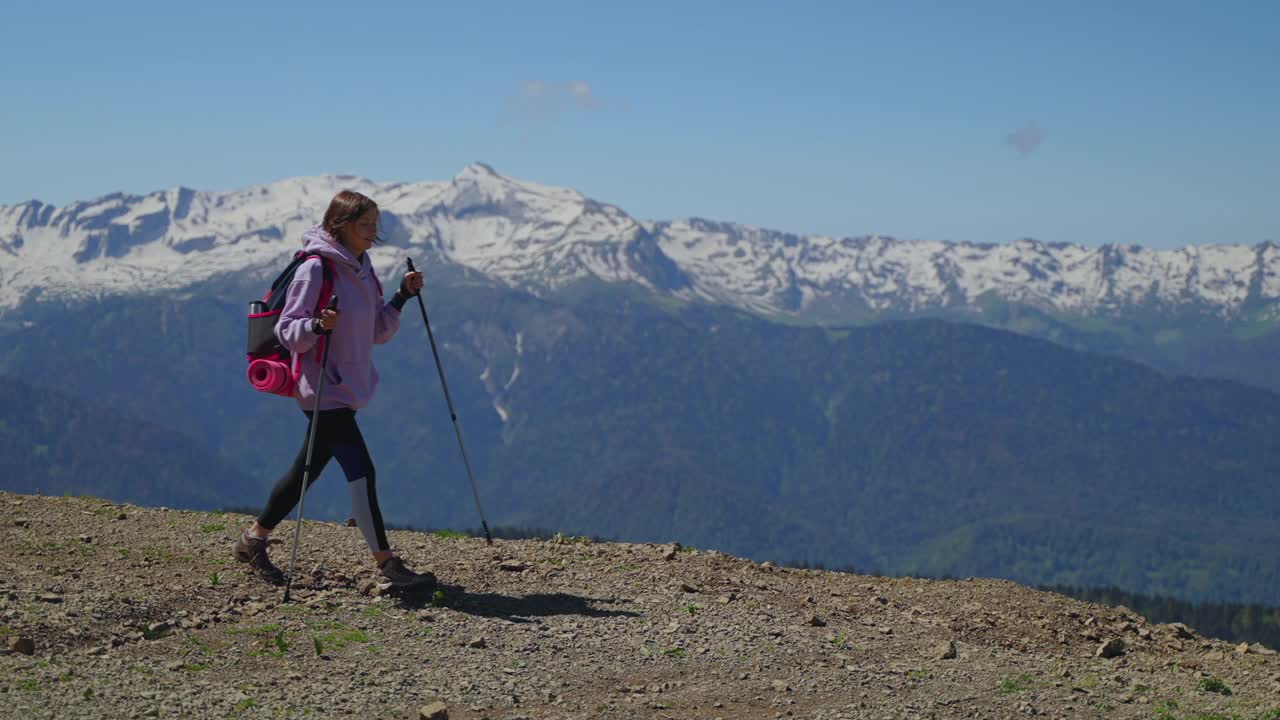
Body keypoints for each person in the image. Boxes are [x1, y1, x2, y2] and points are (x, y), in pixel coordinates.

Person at [234, 189, 431, 588]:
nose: (373, 232)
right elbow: (289, 331)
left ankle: (253, 540)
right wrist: (316, 326)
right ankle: (387, 564)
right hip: (323, 387)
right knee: (362, 471)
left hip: (349, 385)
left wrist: (401, 296)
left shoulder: (362, 265)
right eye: (364, 224)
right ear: (339, 227)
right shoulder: (316, 269)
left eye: (375, 223)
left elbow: (375, 330)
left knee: (305, 469)